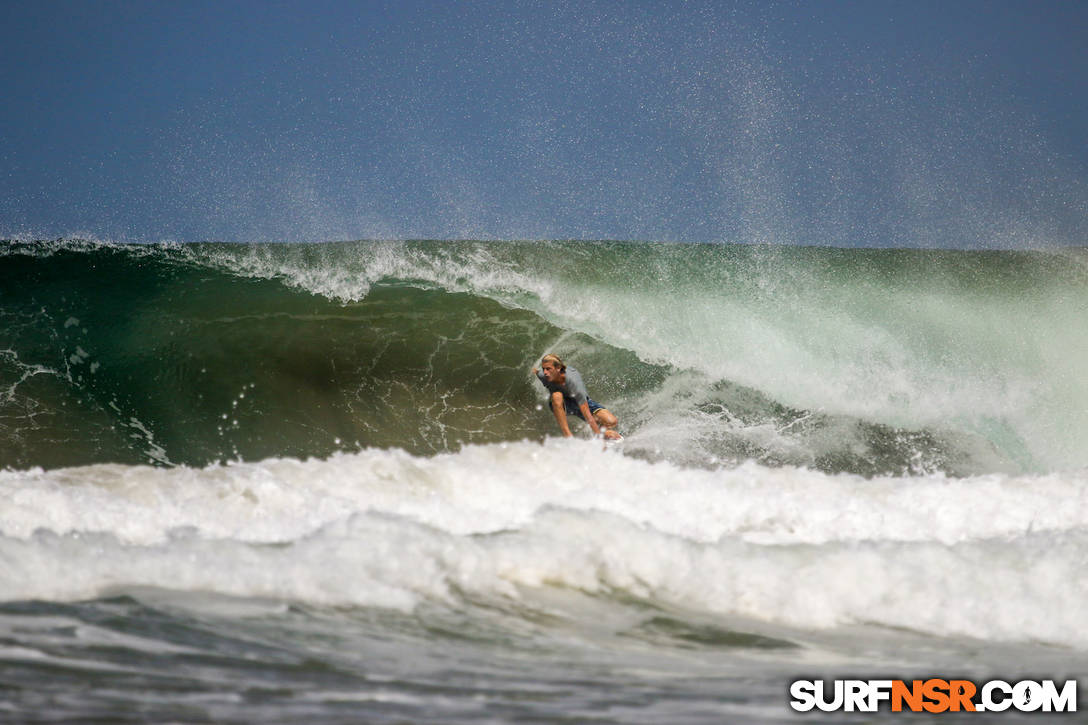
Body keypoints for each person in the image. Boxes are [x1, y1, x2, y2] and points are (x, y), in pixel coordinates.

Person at [532, 353, 622, 440]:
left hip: (579, 402)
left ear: (558, 368)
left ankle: (603, 434)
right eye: (543, 369)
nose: (545, 372)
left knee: (612, 421)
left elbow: (586, 412)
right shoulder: (542, 375)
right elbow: (536, 371)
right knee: (557, 395)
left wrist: (599, 437)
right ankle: (568, 435)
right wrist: (533, 369)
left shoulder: (574, 381)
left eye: (548, 369)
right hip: (561, 404)